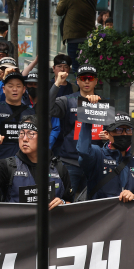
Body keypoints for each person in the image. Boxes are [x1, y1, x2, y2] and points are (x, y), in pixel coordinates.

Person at [0, 115, 72, 207]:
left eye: (30, 134)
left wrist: (62, 203)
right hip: (18, 221)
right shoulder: (8, 165)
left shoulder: (59, 168)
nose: (24, 139)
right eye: (21, 133)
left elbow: (70, 203)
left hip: (50, 221)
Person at [49, 65, 101, 196]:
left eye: (90, 78)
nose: (87, 81)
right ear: (77, 81)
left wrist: (107, 136)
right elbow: (47, 108)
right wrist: (57, 84)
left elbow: (111, 132)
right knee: (64, 201)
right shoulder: (67, 100)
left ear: (96, 81)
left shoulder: (104, 104)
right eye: (83, 78)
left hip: (94, 163)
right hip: (69, 162)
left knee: (93, 203)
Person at [77, 106, 134, 202]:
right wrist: (87, 119)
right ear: (107, 134)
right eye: (119, 130)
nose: (124, 134)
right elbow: (83, 151)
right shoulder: (98, 155)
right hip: (102, 215)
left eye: (128, 130)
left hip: (127, 216)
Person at [55, 0, 98, 72]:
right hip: (88, 37)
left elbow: (59, 11)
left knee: (75, 68)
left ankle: (80, 87)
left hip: (73, 38)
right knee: (87, 67)